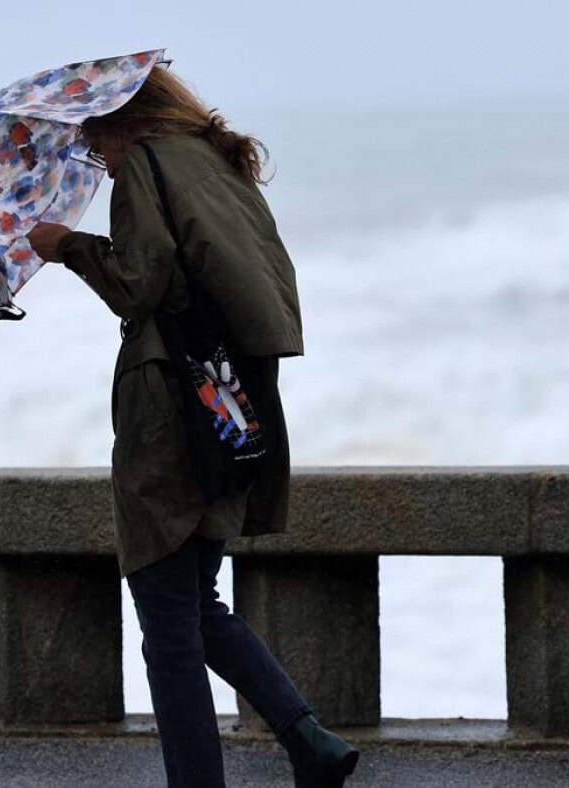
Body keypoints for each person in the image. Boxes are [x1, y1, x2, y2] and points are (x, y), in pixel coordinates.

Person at [26, 65, 360, 788]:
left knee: (166, 627)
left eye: (95, 142)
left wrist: (66, 247)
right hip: (230, 402)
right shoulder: (217, 162)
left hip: (171, 407)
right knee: (194, 603)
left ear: (125, 121)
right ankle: (310, 741)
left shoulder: (145, 163)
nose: (98, 158)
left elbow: (138, 283)